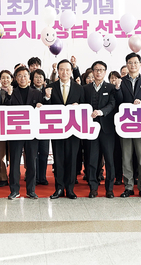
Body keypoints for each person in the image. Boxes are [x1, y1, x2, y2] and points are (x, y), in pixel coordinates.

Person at [117, 52, 141, 198]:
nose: (133, 65)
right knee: (126, 157)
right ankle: (128, 187)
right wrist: (117, 89)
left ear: (140, 64)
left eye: (135, 62)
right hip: (126, 125)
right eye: (130, 62)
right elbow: (118, 101)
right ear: (126, 65)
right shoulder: (121, 81)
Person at [82, 61, 120, 198]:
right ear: (92, 71)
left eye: (101, 70)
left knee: (109, 160)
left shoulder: (111, 87)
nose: (98, 72)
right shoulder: (85, 88)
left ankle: (109, 188)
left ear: (105, 72)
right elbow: (82, 105)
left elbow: (112, 104)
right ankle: (93, 187)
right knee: (92, 159)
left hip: (107, 129)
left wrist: (101, 112)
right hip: (91, 129)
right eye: (96, 70)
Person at [46, 59, 84, 199]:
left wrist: (78, 107)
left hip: (73, 130)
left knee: (72, 160)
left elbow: (85, 108)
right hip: (57, 130)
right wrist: (47, 98)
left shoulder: (79, 88)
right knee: (58, 159)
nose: (64, 72)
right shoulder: (50, 87)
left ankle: (70, 189)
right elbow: (45, 109)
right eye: (61, 69)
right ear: (58, 71)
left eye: (67, 70)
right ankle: (59, 188)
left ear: (71, 71)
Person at [6, 66, 42, 199]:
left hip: (32, 132)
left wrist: (41, 106)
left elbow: (43, 111)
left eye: (25, 75)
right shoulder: (11, 92)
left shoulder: (37, 93)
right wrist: (9, 95)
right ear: (15, 78)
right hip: (16, 132)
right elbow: (5, 109)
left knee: (32, 161)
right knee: (15, 162)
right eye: (19, 75)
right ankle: (14, 190)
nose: (22, 78)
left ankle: (31, 190)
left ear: (29, 78)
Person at [31, 69, 51, 186]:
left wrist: (47, 98)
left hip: (45, 127)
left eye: (41, 77)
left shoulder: (48, 90)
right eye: (36, 77)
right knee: (33, 154)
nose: (39, 79)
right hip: (32, 127)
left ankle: (42, 177)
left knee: (44, 152)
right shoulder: (30, 90)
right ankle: (33, 177)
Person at [0, 69, 12, 188]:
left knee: (13, 152)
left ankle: (14, 175)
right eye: (3, 78)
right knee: (0, 153)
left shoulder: (16, 91)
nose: (5, 80)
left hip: (13, 126)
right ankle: (2, 177)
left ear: (11, 79)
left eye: (7, 77)